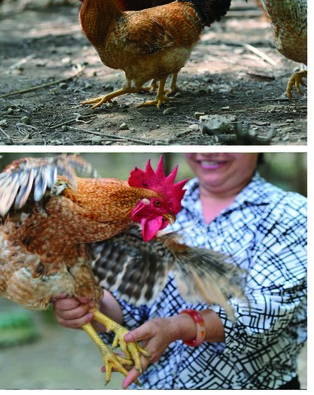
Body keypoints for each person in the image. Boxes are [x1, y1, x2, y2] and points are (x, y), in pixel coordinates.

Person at [53, 153, 306, 389]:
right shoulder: (151, 207)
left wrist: (179, 327)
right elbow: (130, 298)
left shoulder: (291, 212)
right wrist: (92, 308)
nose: (207, 154)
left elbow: (270, 308)